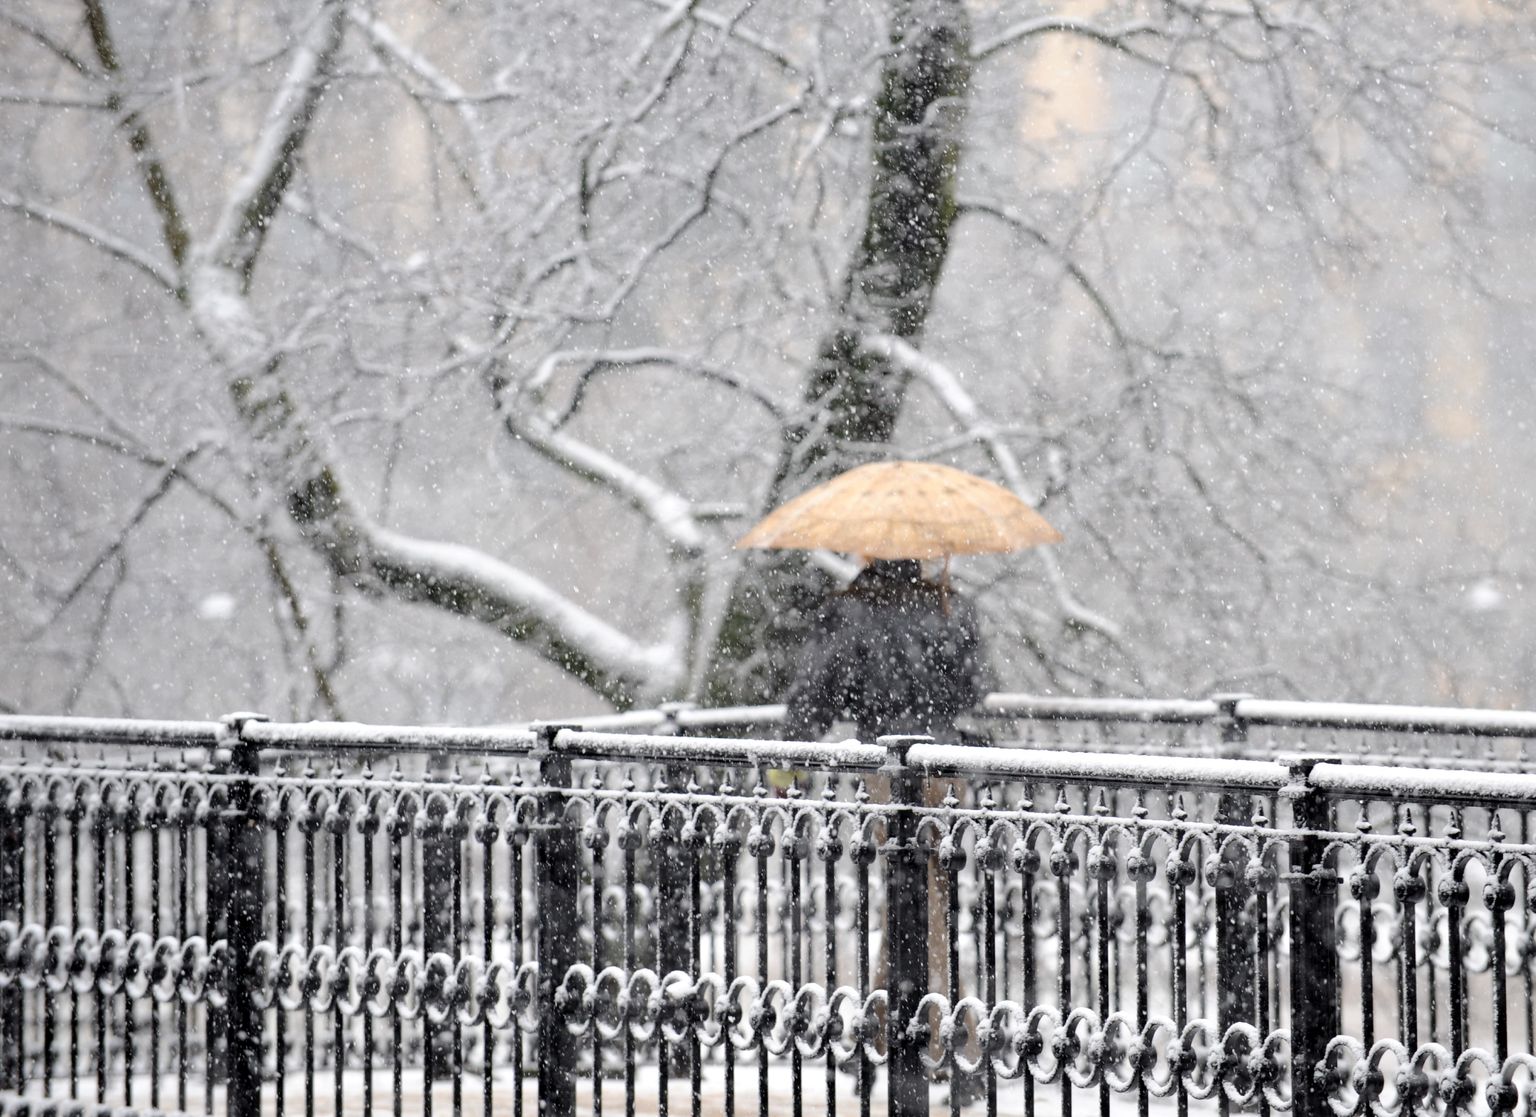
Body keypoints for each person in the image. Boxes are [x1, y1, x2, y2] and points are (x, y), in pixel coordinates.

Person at [783, 558, 986, 742]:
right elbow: (973, 689)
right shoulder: (949, 606)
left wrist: (792, 749)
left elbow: (817, 690)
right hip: (939, 756)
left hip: (879, 754)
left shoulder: (851, 610)